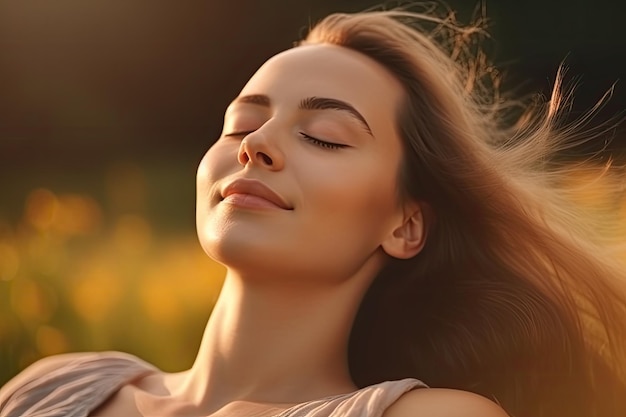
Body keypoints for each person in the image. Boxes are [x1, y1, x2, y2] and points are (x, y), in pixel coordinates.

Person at [2, 5, 626, 417]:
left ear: (406, 225)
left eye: (325, 135)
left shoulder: (432, 415)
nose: (256, 145)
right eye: (240, 125)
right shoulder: (55, 386)